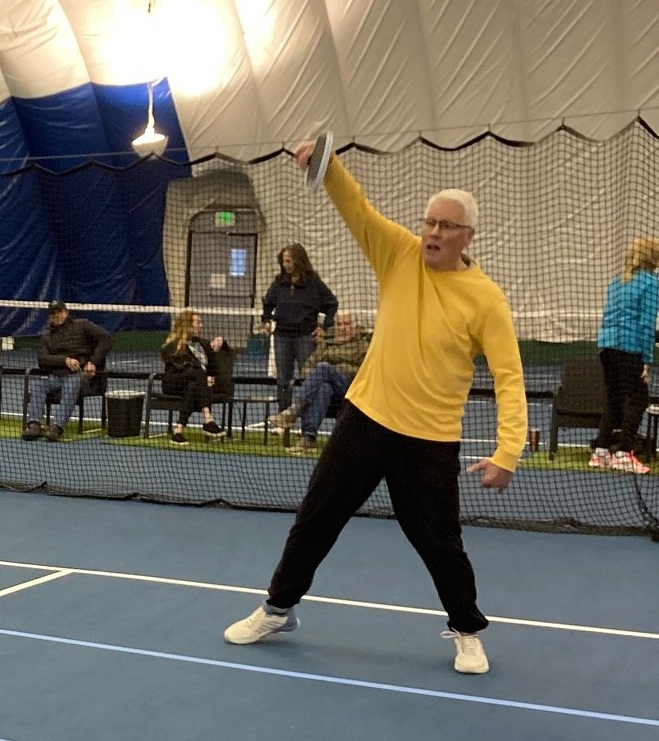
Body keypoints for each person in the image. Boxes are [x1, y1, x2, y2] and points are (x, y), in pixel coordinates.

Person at [225, 148, 526, 674]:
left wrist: (508, 452)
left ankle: (467, 631)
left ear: (468, 237)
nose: (433, 232)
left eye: (446, 225)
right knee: (315, 519)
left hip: (429, 438)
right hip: (364, 421)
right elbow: (357, 208)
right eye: (429, 221)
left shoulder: (487, 300)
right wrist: (326, 164)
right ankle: (277, 609)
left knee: (439, 542)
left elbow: (509, 377)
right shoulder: (399, 254)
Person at [591, 237, 659, 474]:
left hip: (606, 346)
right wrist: (646, 360)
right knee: (639, 399)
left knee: (615, 398)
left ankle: (600, 452)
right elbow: (646, 324)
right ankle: (623, 453)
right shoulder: (652, 283)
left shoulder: (617, 283)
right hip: (629, 347)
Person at [270, 313, 372, 452]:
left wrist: (336, 370)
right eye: (339, 324)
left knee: (324, 367)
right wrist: (317, 378)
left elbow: (366, 371)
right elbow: (307, 367)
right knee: (324, 388)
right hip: (330, 394)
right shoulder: (326, 343)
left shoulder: (363, 345)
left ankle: (294, 410)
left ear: (354, 327)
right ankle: (308, 438)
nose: (342, 328)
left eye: (347, 324)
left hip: (350, 389)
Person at [261, 244, 339, 411]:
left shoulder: (313, 282)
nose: (286, 265)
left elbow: (332, 303)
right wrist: (266, 320)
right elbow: (268, 303)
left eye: (289, 261)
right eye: (284, 261)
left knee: (308, 377)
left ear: (298, 260)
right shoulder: (279, 282)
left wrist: (324, 327)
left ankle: (305, 416)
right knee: (283, 379)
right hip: (282, 336)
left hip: (305, 337)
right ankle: (283, 415)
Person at [24, 300, 113, 440]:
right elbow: (42, 359)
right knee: (37, 385)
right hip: (55, 377)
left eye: (59, 312)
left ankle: (56, 427)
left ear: (66, 312)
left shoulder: (82, 325)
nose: (56, 315)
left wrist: (93, 363)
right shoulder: (46, 336)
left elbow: (106, 339)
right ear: (49, 316)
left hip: (80, 375)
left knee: (71, 384)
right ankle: (34, 425)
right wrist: (65, 361)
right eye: (53, 313)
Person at [157, 310, 229, 441]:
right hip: (173, 382)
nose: (201, 326)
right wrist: (205, 377)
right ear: (188, 325)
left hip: (195, 384)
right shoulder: (172, 346)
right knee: (198, 373)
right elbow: (181, 367)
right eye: (198, 323)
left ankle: (178, 430)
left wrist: (222, 342)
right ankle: (207, 419)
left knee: (192, 386)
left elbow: (225, 352)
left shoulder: (201, 343)